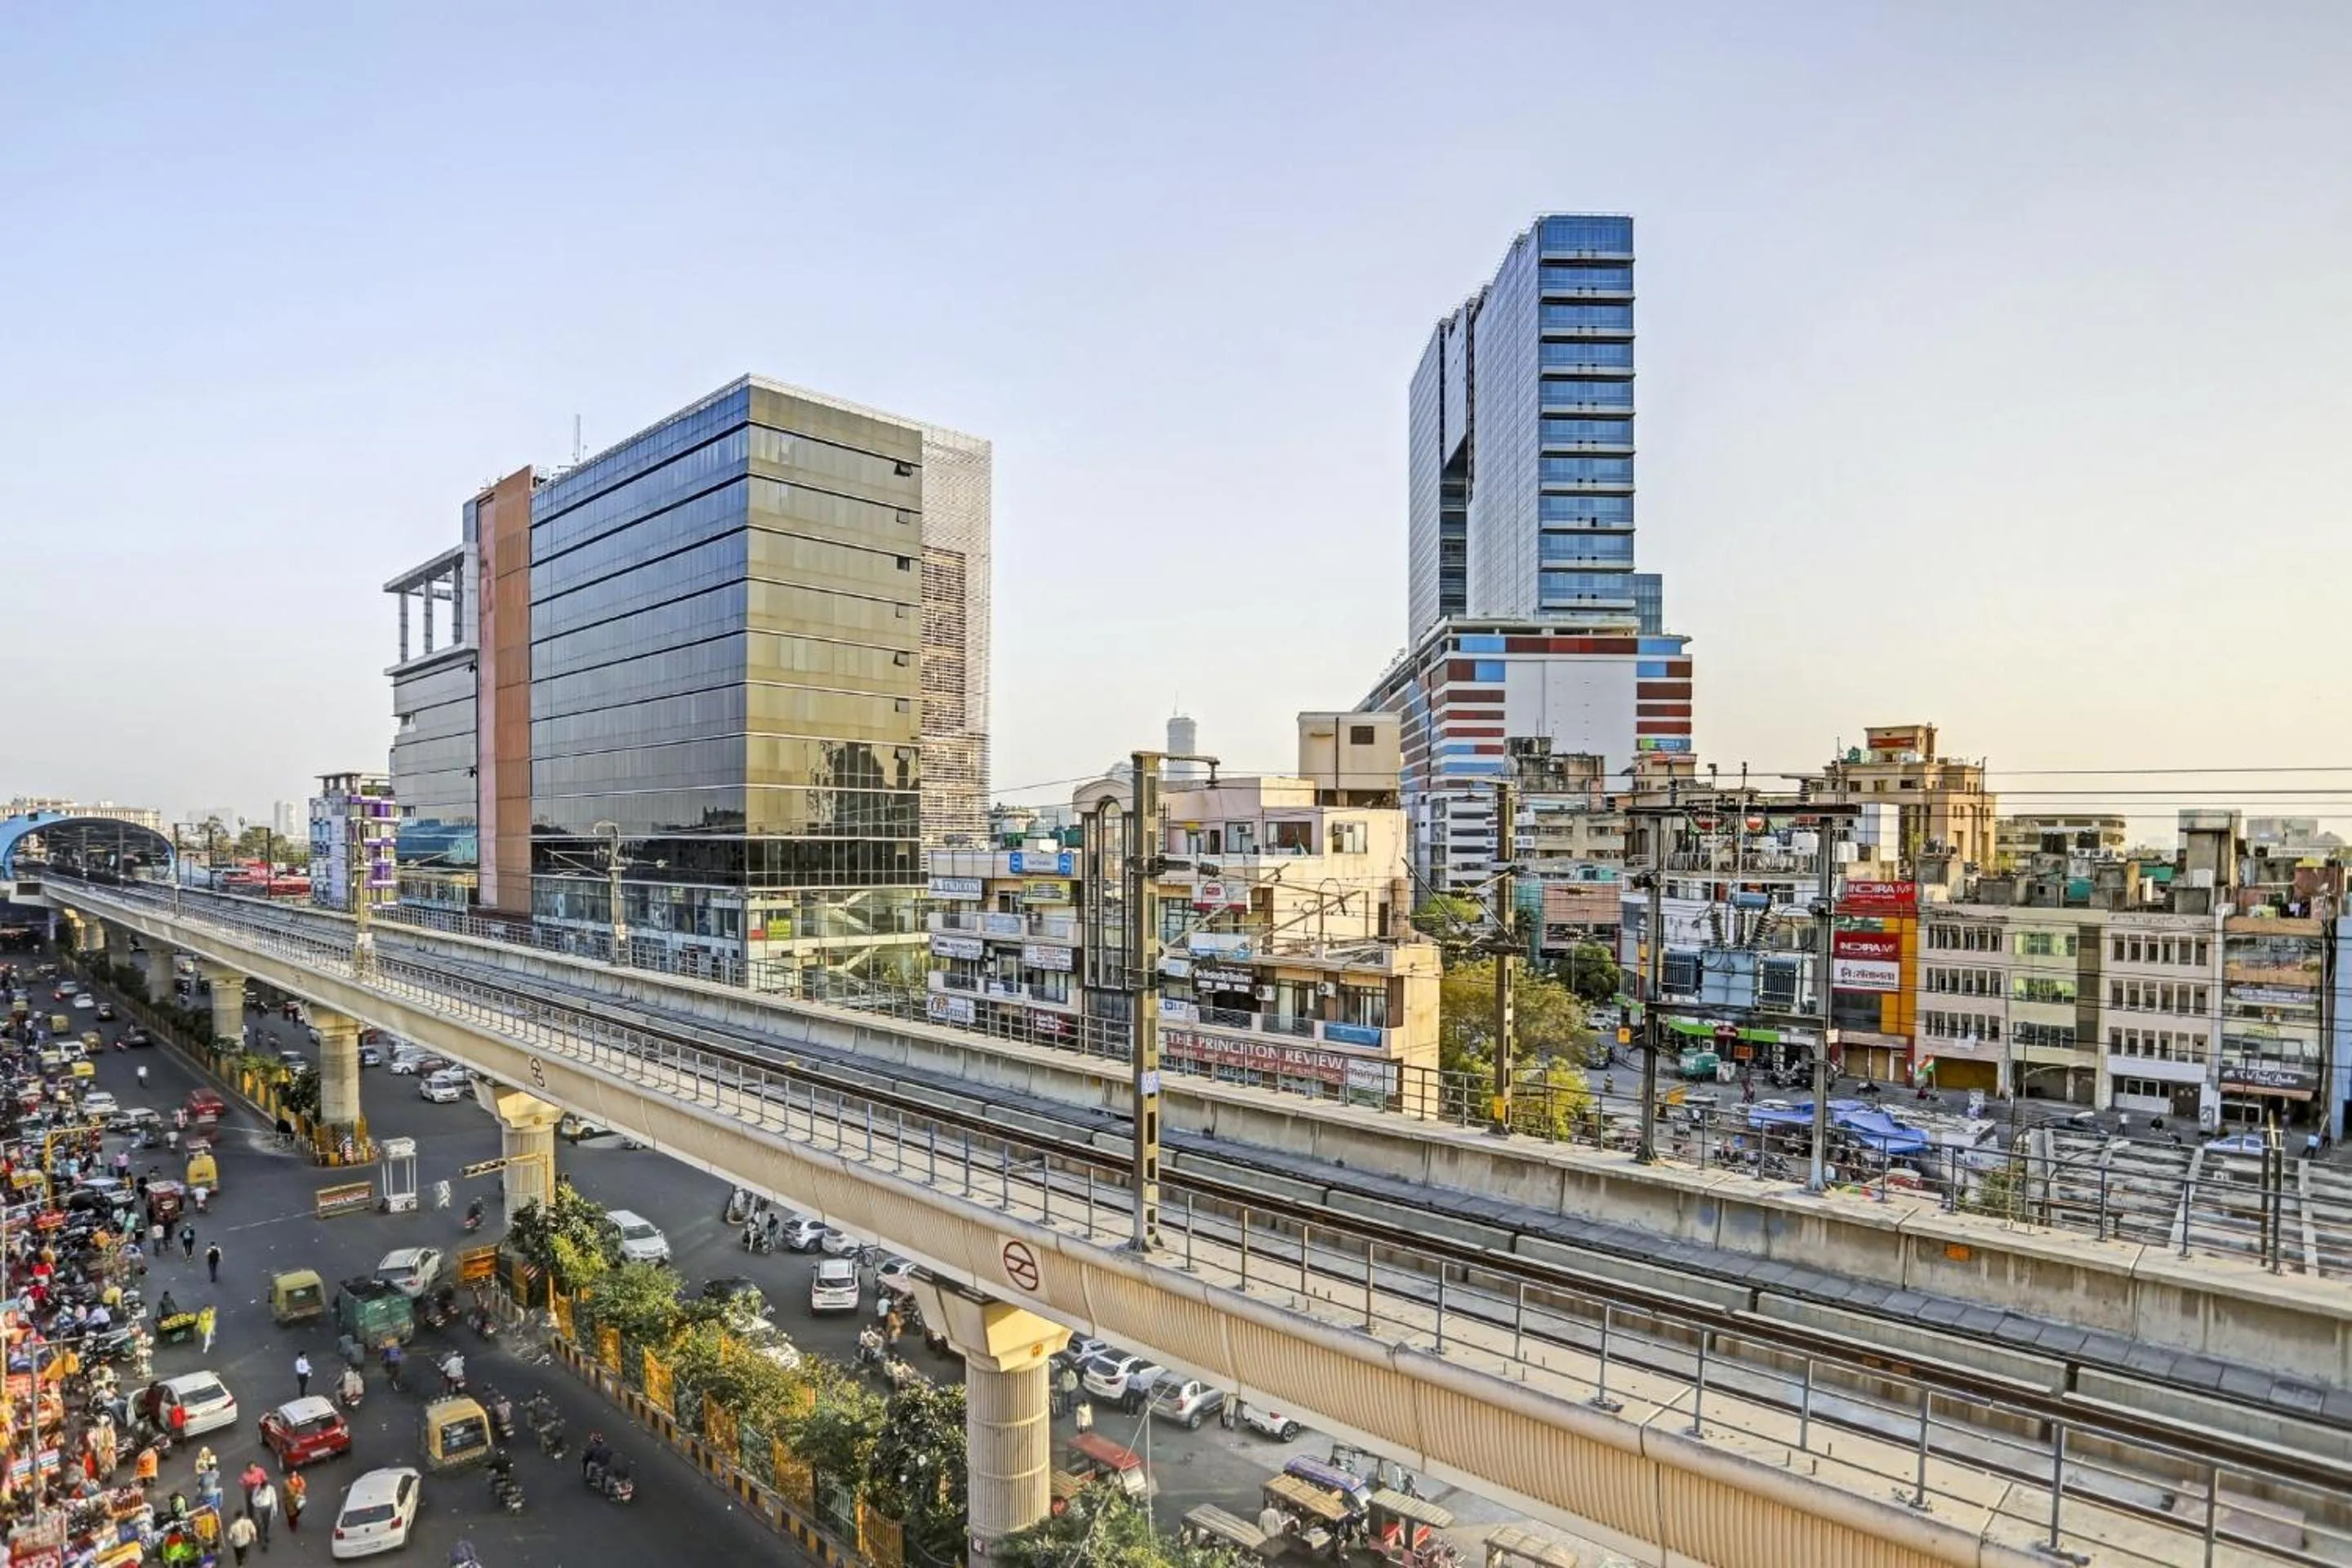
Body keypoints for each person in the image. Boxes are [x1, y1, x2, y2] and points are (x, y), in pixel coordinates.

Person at [250, 1477, 277, 1550]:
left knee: (267, 1523)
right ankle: (262, 1542)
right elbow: (253, 1501)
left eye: (265, 1486)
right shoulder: (257, 1490)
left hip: (267, 1508)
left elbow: (273, 1500)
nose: (264, 1488)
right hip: (259, 1508)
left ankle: (266, 1535)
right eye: (263, 1486)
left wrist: (275, 1510)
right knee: (259, 1524)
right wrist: (259, 1494)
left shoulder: (271, 1489)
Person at [281, 1469, 305, 1535]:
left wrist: (300, 1490)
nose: (294, 1476)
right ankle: (292, 1526)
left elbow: (303, 1485)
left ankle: (294, 1520)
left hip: (298, 1500)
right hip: (289, 1501)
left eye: (295, 1474)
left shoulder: (299, 1479)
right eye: (293, 1474)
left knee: (298, 1511)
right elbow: (291, 1492)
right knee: (291, 1515)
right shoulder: (286, 1483)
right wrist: (298, 1491)